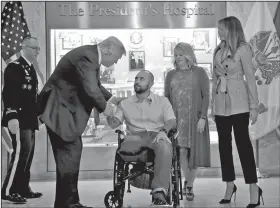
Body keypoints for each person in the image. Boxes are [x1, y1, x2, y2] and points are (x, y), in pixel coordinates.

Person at [37, 36, 126, 208]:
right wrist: (109, 113)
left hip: (63, 112)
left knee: (70, 156)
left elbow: (96, 86)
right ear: (109, 50)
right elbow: (91, 90)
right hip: (60, 112)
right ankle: (68, 203)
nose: (116, 61)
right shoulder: (87, 57)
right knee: (69, 156)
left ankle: (69, 202)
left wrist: (114, 99)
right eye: (116, 57)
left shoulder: (90, 56)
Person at [211, 16, 263, 208]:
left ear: (231, 29)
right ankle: (229, 185)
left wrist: (254, 106)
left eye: (221, 29)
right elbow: (214, 79)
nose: (219, 32)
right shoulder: (218, 49)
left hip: (239, 103)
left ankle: (253, 187)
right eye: (218, 29)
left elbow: (250, 78)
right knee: (223, 147)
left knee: (243, 146)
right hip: (220, 104)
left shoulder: (244, 49)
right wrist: (212, 106)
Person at [106, 70, 176, 205]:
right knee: (129, 143)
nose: (137, 81)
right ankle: (137, 173)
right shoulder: (125, 103)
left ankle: (159, 192)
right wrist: (109, 114)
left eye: (142, 79)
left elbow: (171, 121)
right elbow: (114, 124)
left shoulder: (162, 101)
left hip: (156, 135)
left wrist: (163, 131)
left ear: (151, 83)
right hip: (135, 137)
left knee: (164, 144)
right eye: (136, 78)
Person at [164, 42, 211, 201]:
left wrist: (203, 117)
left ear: (188, 55)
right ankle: (187, 183)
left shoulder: (199, 72)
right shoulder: (170, 75)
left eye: (180, 54)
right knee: (182, 151)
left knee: (194, 154)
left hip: (196, 120)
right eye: (175, 55)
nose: (177, 58)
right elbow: (166, 99)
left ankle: (189, 184)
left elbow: (206, 96)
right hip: (177, 120)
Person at [1, 36, 43, 203]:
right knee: (19, 154)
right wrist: (11, 115)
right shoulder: (14, 67)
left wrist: (39, 114)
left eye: (38, 49)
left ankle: (23, 187)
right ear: (24, 47)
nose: (37, 51)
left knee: (28, 154)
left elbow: (32, 96)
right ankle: (8, 189)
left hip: (29, 119)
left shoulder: (30, 68)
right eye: (34, 48)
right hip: (18, 118)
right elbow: (9, 93)